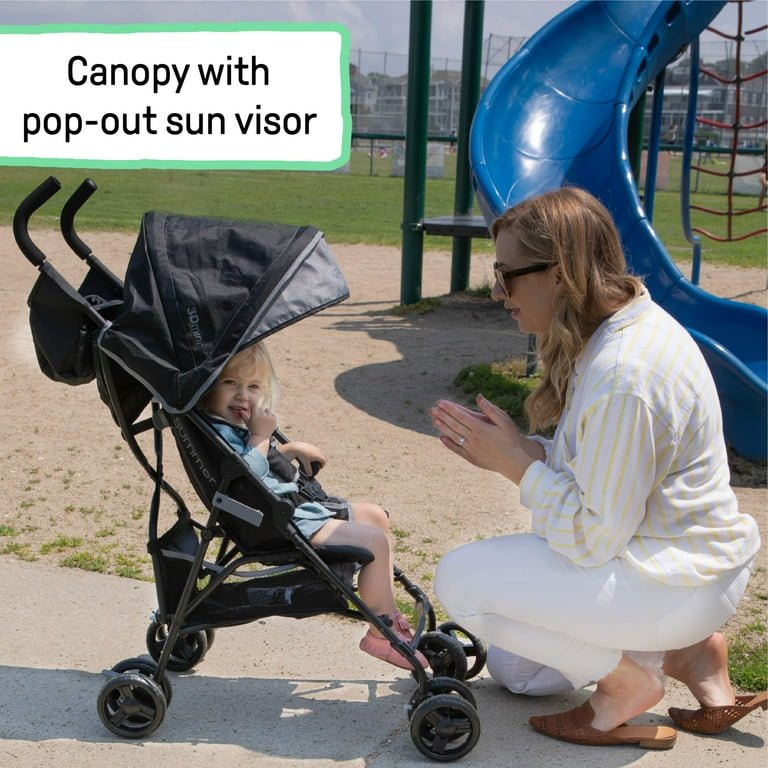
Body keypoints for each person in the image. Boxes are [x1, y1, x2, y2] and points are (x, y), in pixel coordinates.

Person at [430, 187, 763, 748]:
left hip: (672, 579)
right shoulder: (617, 328)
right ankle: (686, 652)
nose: (496, 291)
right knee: (520, 672)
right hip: (673, 571)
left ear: (559, 273)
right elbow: (601, 470)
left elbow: (592, 536)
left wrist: (517, 467)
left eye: (506, 274)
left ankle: (625, 685)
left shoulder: (624, 373)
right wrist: (524, 448)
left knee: (459, 581)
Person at [201, 341, 427, 671]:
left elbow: (259, 471)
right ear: (208, 387)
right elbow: (246, 474)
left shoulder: (230, 427)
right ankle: (381, 631)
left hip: (291, 511)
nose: (243, 396)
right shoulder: (215, 431)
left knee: (375, 517)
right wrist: (261, 437)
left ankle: (384, 605)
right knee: (374, 542)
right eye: (230, 383)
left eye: (253, 387)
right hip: (277, 523)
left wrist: (288, 450)